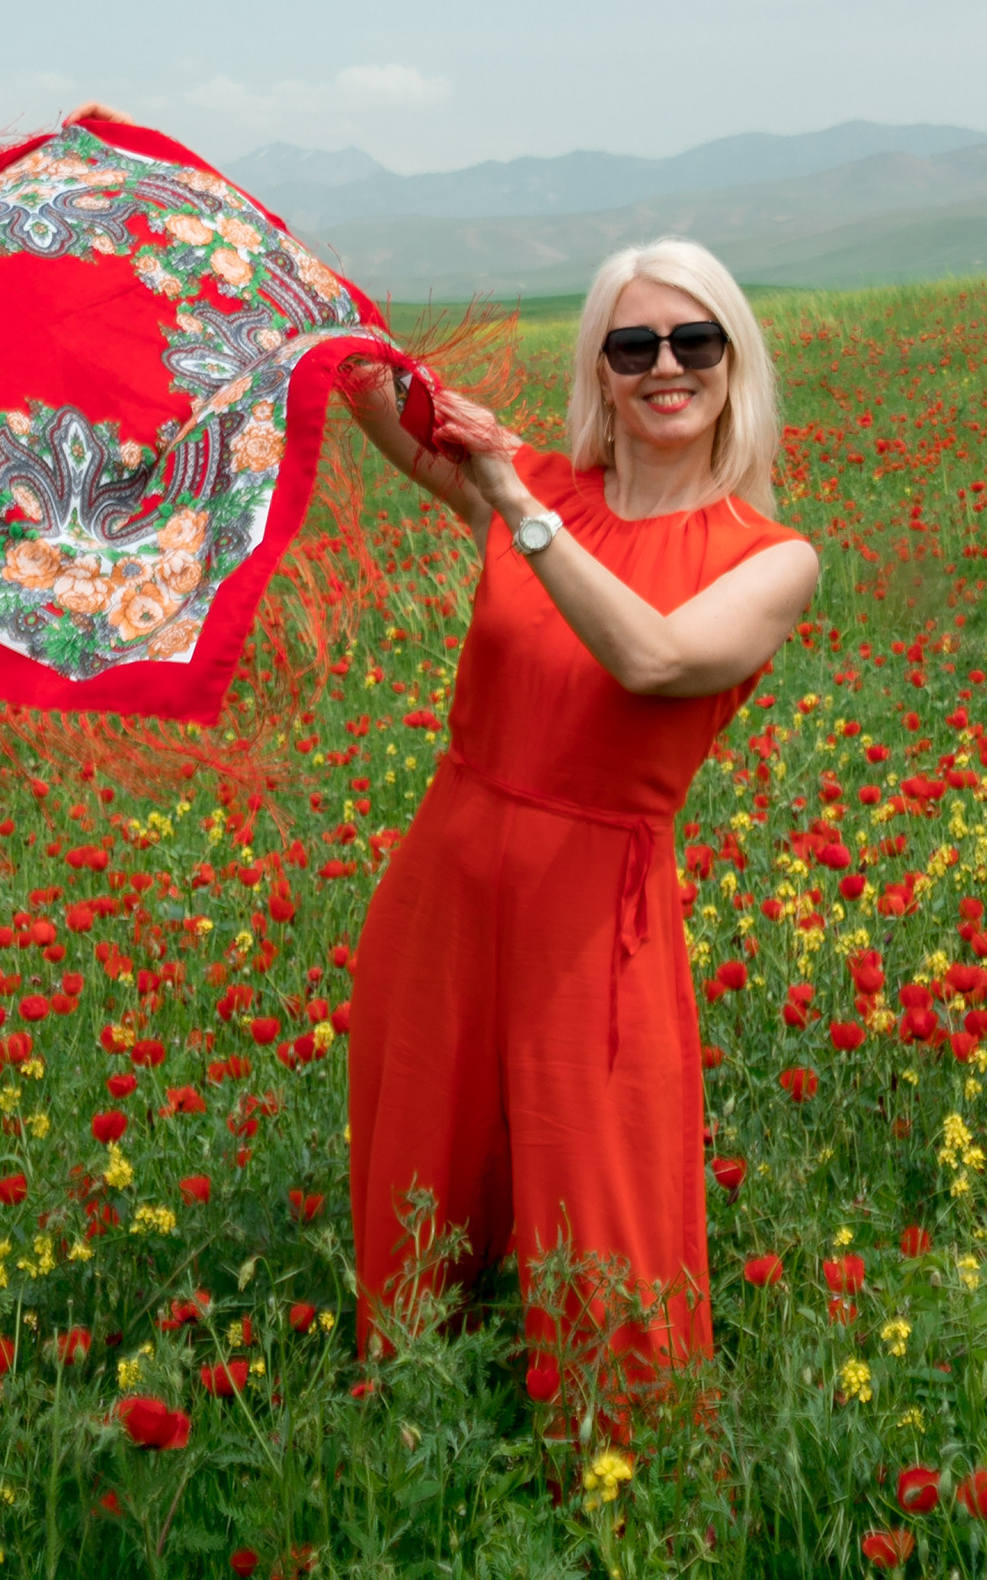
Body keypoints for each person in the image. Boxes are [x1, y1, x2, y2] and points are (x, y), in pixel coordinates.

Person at [342, 239, 819, 1391]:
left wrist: (513, 501)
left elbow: (652, 661)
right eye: (634, 344)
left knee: (602, 1215)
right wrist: (189, 200)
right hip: (446, 882)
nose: (667, 366)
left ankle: (626, 1495)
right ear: (600, 371)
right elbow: (352, 373)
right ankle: (414, 1437)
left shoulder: (770, 558)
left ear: (733, 364)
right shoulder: (538, 490)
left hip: (590, 917)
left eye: (694, 342)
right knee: (422, 1173)